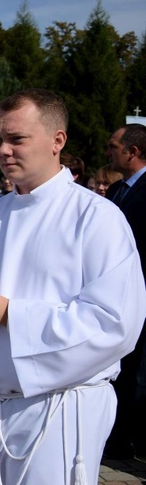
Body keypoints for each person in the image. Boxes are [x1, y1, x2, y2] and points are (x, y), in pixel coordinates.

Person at [0, 89, 146, 484]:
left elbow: (115, 322)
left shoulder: (97, 218)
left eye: (17, 139)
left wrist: (10, 312)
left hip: (59, 408)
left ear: (57, 141)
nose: (3, 151)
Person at [103, 123, 146, 460]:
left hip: (143, 296)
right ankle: (118, 438)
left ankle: (134, 438)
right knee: (123, 369)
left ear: (132, 152)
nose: (109, 151)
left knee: (139, 375)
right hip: (116, 297)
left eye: (114, 146)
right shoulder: (118, 191)